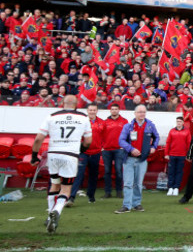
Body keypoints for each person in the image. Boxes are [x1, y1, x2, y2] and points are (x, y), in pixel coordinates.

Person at [31, 95, 92, 234]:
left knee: (54, 184)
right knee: (66, 189)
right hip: (70, 155)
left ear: (62, 103)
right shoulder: (83, 117)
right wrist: (79, 150)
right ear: (76, 105)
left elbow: (38, 138)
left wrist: (34, 156)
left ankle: (49, 216)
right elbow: (88, 141)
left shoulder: (51, 116)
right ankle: (57, 211)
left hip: (54, 154)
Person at [115, 104, 160, 213]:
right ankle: (126, 205)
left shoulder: (150, 125)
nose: (142, 114)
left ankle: (136, 204)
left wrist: (154, 147)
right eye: (140, 112)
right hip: (129, 159)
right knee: (128, 183)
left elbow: (156, 137)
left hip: (142, 160)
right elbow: (121, 141)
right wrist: (131, 149)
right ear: (135, 113)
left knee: (138, 184)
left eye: (144, 112)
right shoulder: (128, 126)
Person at [68, 103, 104, 205]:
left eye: (94, 110)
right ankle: (71, 197)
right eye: (90, 110)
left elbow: (104, 136)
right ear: (87, 111)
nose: (92, 112)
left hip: (96, 153)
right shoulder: (81, 122)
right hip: (83, 153)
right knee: (79, 174)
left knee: (93, 175)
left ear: (97, 111)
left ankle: (91, 196)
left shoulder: (102, 122)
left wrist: (102, 146)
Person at [102, 103, 128, 199]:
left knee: (118, 171)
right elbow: (101, 135)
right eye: (112, 109)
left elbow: (128, 134)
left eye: (115, 109)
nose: (114, 111)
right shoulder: (105, 122)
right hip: (107, 150)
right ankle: (108, 192)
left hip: (119, 150)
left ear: (119, 110)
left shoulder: (124, 121)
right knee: (107, 171)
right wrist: (102, 146)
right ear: (110, 111)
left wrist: (125, 146)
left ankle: (119, 191)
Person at [164, 116, 192, 196]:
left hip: (182, 155)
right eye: (177, 121)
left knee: (179, 172)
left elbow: (189, 143)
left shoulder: (187, 131)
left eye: (180, 121)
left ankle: (176, 188)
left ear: (183, 122)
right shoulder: (172, 131)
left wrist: (188, 154)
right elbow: (168, 142)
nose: (178, 123)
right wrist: (166, 154)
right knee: (171, 172)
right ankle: (170, 188)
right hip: (172, 154)